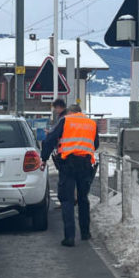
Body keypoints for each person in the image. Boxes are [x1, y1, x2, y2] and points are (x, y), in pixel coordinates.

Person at [41, 103, 99, 247]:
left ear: (70, 112)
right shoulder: (91, 123)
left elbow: (50, 140)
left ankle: (70, 237)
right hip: (85, 164)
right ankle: (85, 233)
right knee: (83, 198)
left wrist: (44, 158)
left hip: (68, 164)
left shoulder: (66, 120)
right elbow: (95, 144)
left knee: (67, 200)